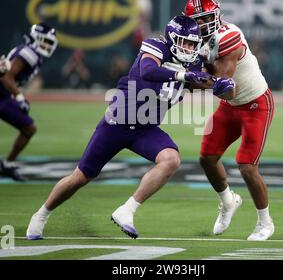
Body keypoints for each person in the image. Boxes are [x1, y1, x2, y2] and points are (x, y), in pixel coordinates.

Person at [26, 15, 214, 240]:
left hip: (146, 128)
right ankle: (41, 214)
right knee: (81, 177)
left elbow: (202, 82)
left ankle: (127, 210)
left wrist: (218, 83)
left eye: (193, 44)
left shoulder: (192, 64)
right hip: (118, 122)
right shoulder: (156, 46)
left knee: (171, 159)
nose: (189, 48)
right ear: (172, 38)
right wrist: (184, 75)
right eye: (185, 42)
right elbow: (148, 71)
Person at [184, 0, 275, 241]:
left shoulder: (229, 36)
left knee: (246, 166)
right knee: (207, 157)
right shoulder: (192, 41)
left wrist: (189, 77)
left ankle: (265, 222)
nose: (202, 24)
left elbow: (225, 86)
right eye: (198, 20)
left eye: (206, 19)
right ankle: (228, 201)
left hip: (255, 103)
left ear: (216, 15)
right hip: (230, 106)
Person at [0, 23, 58, 181]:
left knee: (29, 128)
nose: (48, 46)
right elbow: (5, 76)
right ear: (37, 38)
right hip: (1, 94)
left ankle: (7, 164)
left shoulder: (31, 53)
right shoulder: (29, 54)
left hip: (4, 94)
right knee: (29, 128)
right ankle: (7, 164)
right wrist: (18, 97)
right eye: (46, 41)